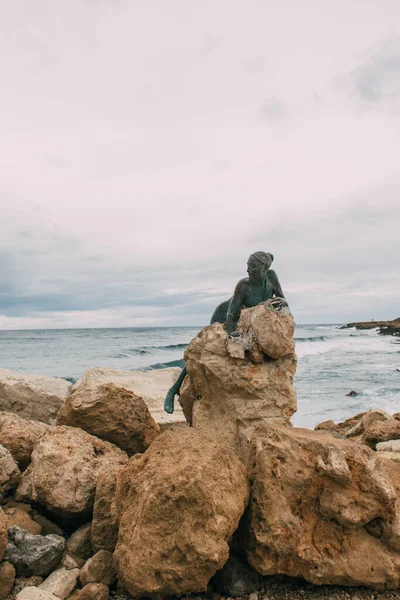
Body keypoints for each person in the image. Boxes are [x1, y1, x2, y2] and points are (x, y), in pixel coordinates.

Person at [164, 251, 286, 414]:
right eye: (248, 266)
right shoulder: (243, 284)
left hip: (248, 320)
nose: (248, 270)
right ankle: (173, 390)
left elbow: (282, 299)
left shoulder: (271, 277)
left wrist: (279, 309)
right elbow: (231, 313)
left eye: (253, 267)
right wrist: (230, 333)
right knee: (199, 352)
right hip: (225, 314)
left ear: (264, 269)